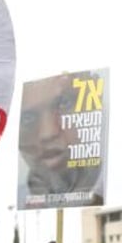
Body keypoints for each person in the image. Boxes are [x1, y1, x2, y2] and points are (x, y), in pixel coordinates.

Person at [17, 71, 105, 208]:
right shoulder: (21, 201)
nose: (47, 133)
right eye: (28, 118)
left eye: (64, 104)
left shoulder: (114, 188)